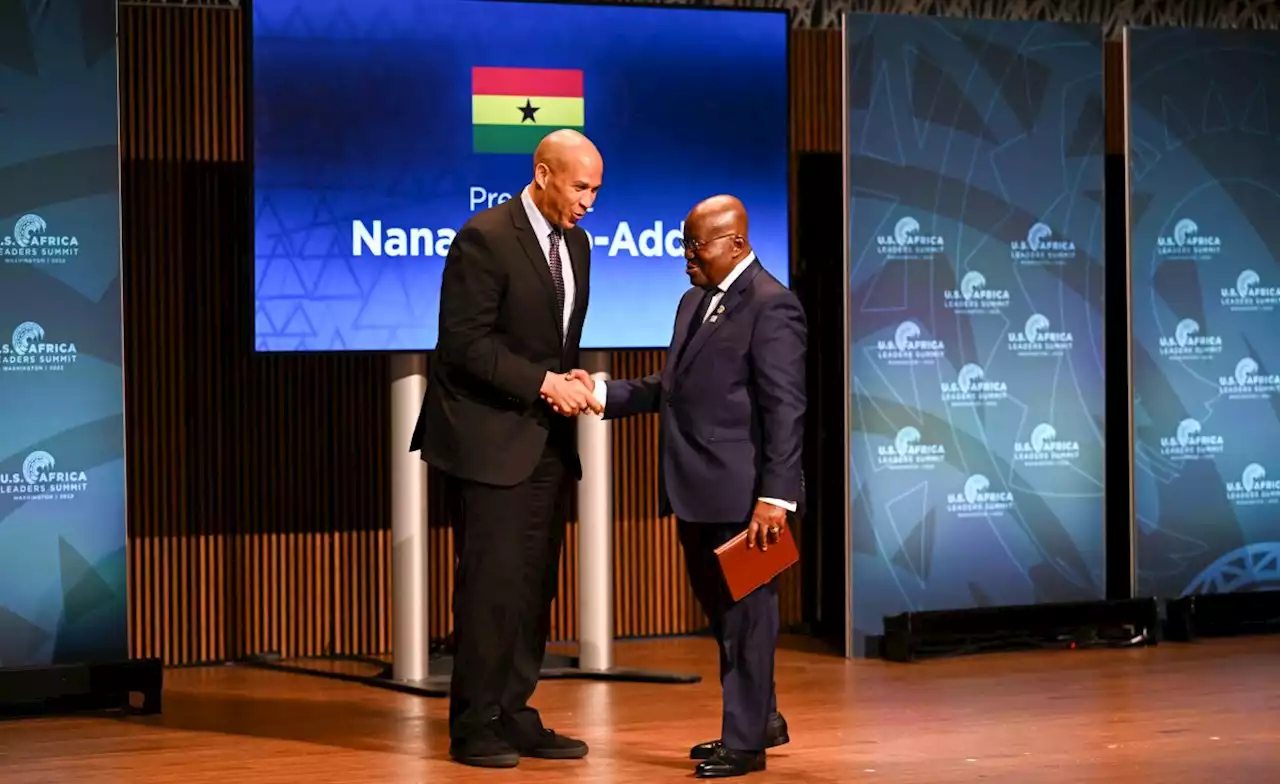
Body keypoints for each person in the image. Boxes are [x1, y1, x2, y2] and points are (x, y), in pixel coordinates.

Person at [577, 194, 806, 778]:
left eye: (695, 245)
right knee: (727, 617)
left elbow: (786, 409)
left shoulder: (772, 305)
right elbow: (671, 385)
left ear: (735, 242)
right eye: (683, 244)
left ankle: (745, 744)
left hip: (748, 500)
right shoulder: (693, 302)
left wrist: (775, 498)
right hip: (697, 492)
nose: (685, 257)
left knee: (748, 619)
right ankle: (761, 720)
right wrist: (603, 394)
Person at [409, 129, 604, 768]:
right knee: (490, 586)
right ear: (543, 173)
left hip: (546, 439)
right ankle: (473, 724)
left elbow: (551, 342)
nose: (589, 203)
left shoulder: (577, 244)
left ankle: (515, 712)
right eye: (581, 187)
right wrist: (542, 381)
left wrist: (567, 376)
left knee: (533, 585)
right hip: (487, 437)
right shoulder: (485, 237)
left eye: (597, 190)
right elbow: (463, 344)